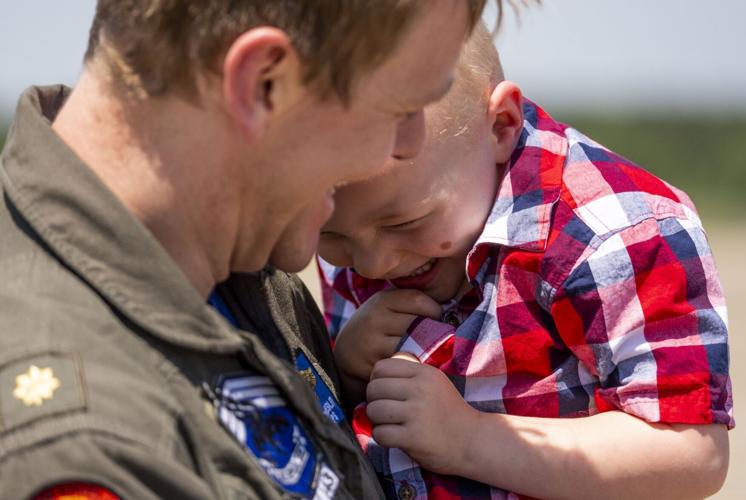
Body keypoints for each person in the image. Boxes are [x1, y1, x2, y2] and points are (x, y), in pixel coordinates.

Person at [0, 1, 498, 498]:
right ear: (264, 84)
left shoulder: (242, 267)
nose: (410, 144)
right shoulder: (86, 446)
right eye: (399, 108)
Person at [317, 24, 733, 499]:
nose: (371, 263)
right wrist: (346, 368)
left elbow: (691, 456)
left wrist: (469, 438)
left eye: (406, 223)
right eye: (333, 237)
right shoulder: (349, 224)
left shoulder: (614, 232)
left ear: (500, 127)